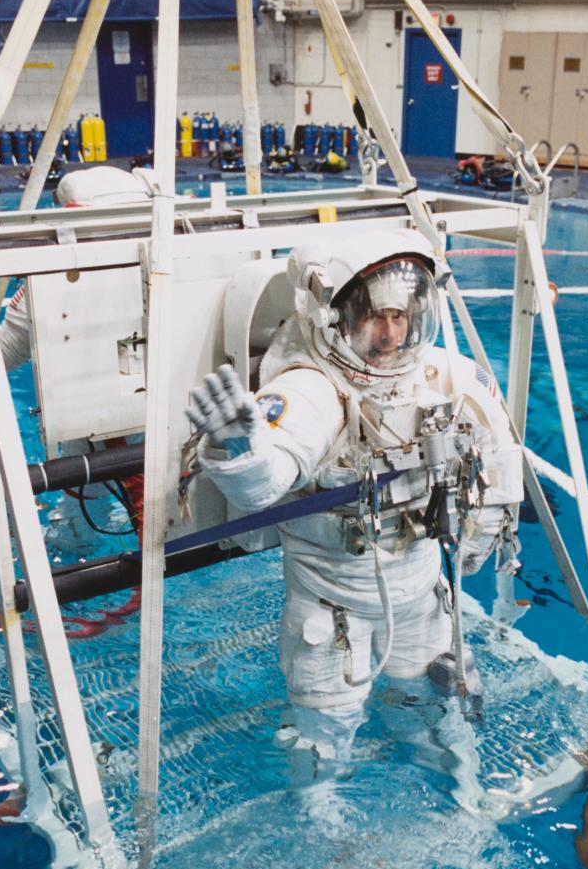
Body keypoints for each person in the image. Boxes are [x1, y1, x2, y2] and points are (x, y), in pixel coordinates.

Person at [185, 229, 524, 785]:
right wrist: (235, 445)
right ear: (333, 318)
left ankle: (446, 790)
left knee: (427, 709)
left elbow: (499, 459)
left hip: (420, 595)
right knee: (323, 739)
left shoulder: (445, 376)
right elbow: (264, 485)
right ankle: (318, 827)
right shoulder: (314, 388)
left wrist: (475, 548)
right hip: (331, 606)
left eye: (401, 315)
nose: (390, 334)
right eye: (374, 317)